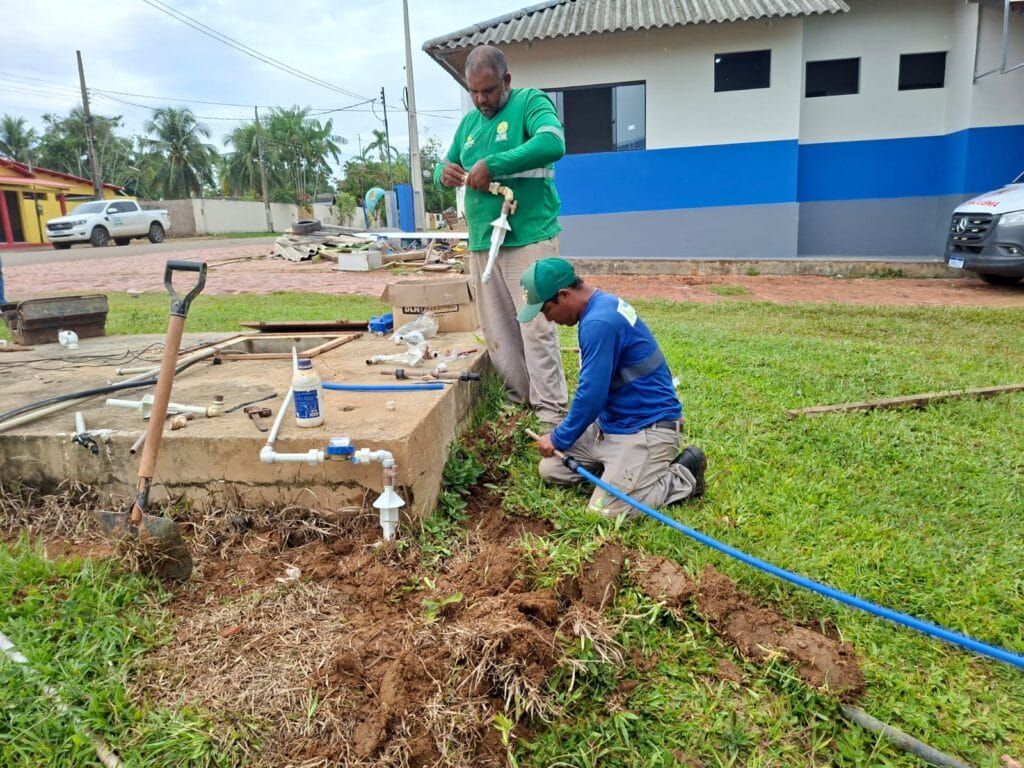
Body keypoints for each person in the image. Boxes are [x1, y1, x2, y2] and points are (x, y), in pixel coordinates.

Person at [434, 44, 567, 427]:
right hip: (482, 242)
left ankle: (550, 411)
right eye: (473, 91)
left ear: (506, 81)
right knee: (498, 331)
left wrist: (493, 164)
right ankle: (517, 400)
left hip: (527, 236)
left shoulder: (529, 102)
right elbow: (447, 164)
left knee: (535, 325)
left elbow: (552, 142)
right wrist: (443, 174)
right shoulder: (469, 125)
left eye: (488, 90)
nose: (480, 100)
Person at [518, 257, 707, 518]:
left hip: (646, 429)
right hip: (612, 426)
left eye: (545, 310)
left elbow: (591, 396)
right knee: (551, 470)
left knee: (604, 512)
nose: (548, 319)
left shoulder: (599, 323)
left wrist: (559, 437)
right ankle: (619, 473)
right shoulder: (601, 305)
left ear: (563, 295)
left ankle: (683, 475)